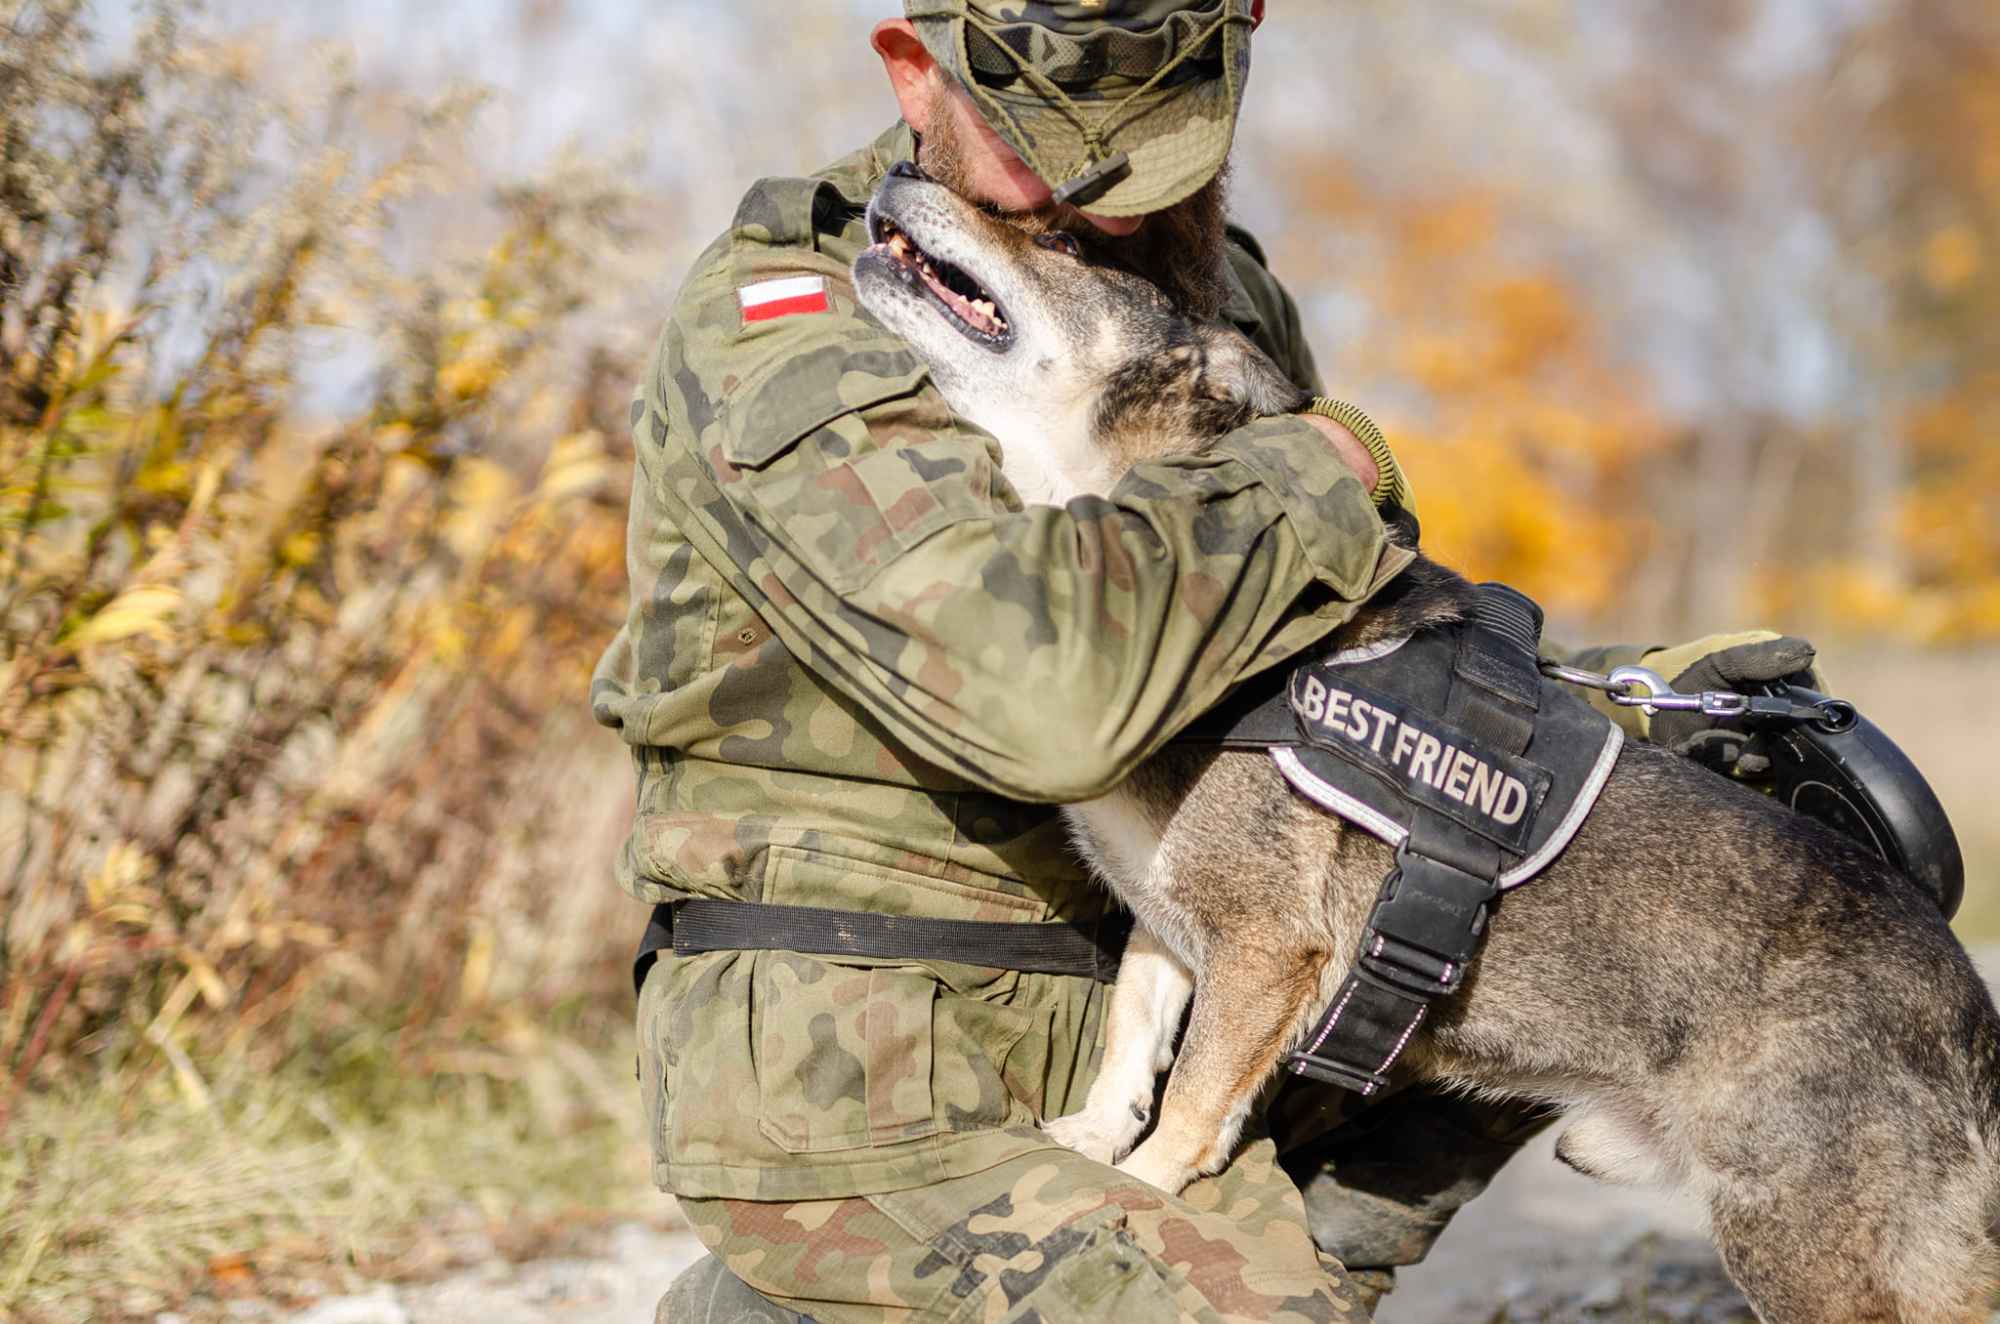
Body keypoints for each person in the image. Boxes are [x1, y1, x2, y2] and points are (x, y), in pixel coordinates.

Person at [591, 3, 1824, 1318]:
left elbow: (1309, 669)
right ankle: (815, 1296)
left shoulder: (1209, 279)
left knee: (1772, 803)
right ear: (914, 73)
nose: (1108, 200)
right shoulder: (804, 308)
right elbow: (1049, 702)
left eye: (1161, 148)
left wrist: (1611, 713)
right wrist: (1318, 461)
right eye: (1048, 145)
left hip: (1186, 974)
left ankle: (1312, 1237)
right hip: (894, 1061)